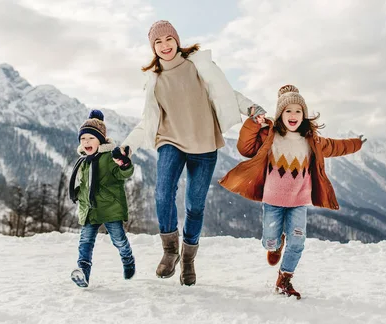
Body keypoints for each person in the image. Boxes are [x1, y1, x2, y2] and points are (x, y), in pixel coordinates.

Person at [120, 20, 265, 286]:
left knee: (194, 206)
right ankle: (170, 251)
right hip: (170, 141)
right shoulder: (155, 80)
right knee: (163, 193)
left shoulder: (198, 65)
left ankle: (188, 259)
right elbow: (147, 121)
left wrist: (252, 108)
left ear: (176, 40)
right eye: (158, 43)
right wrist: (127, 146)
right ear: (153, 48)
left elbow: (226, 93)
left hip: (205, 141)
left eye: (168, 40)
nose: (164, 46)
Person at [219, 85, 366, 299]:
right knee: (269, 240)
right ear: (280, 115)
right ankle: (275, 243)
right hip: (272, 200)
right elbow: (245, 148)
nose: (293, 115)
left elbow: (336, 146)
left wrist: (356, 143)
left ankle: (284, 279)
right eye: (288, 110)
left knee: (297, 242)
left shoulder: (311, 141)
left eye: (298, 111)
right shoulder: (270, 137)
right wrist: (252, 124)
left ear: (304, 116)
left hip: (298, 201)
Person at [69, 110, 136, 288]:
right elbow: (85, 184)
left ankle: (128, 259)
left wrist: (125, 164)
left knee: (119, 239)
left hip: (110, 208)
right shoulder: (84, 161)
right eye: (83, 139)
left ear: (101, 140)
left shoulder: (110, 157)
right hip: (90, 209)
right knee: (85, 242)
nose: (86, 142)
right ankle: (83, 273)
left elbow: (124, 173)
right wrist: (78, 193)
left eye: (91, 138)